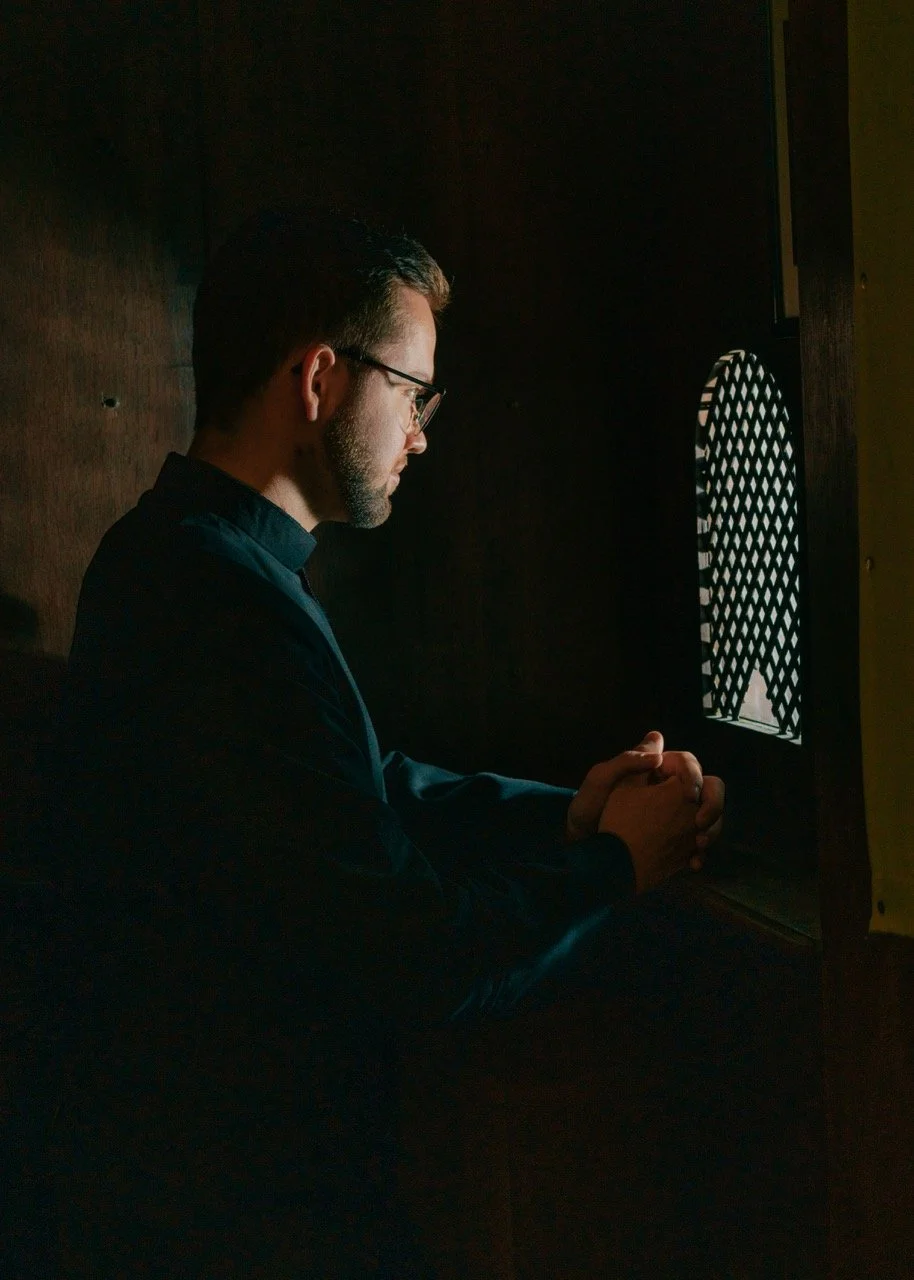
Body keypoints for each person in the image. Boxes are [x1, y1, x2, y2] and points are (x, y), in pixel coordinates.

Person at [41, 208, 725, 1277]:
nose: (419, 434)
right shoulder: (218, 598)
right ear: (320, 380)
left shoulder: (187, 555)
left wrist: (568, 811)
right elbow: (415, 959)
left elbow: (355, 784)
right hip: (238, 1209)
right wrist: (613, 864)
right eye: (412, 392)